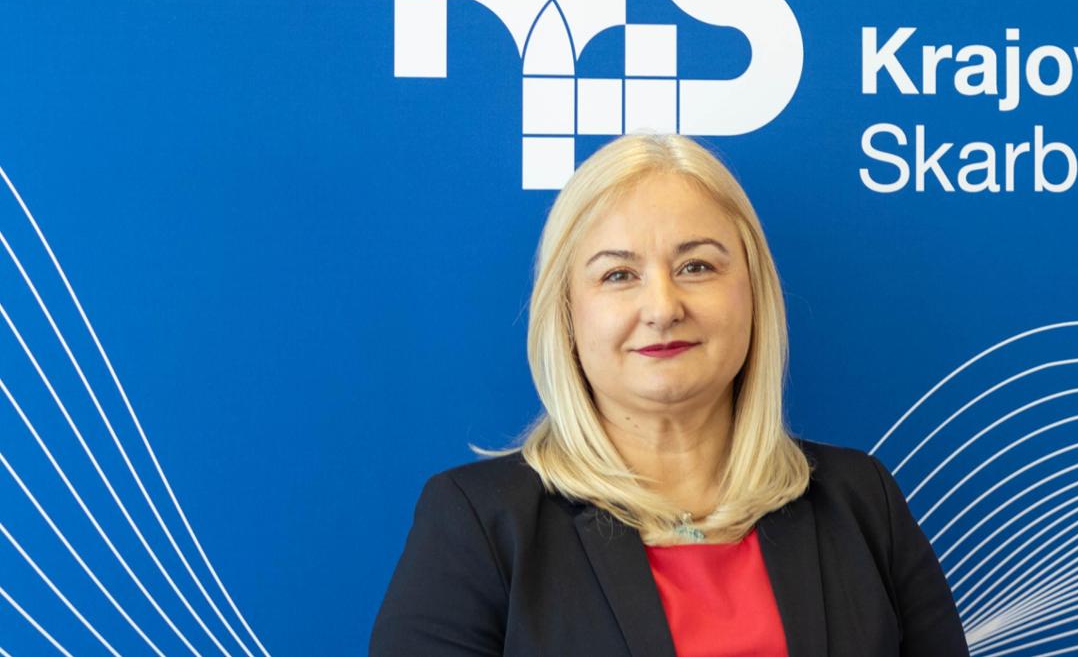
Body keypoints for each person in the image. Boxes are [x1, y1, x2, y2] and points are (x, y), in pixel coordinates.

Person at [369, 134, 969, 656]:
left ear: (754, 293)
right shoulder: (479, 523)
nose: (662, 307)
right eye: (618, 275)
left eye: (697, 267)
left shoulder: (863, 502)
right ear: (567, 315)